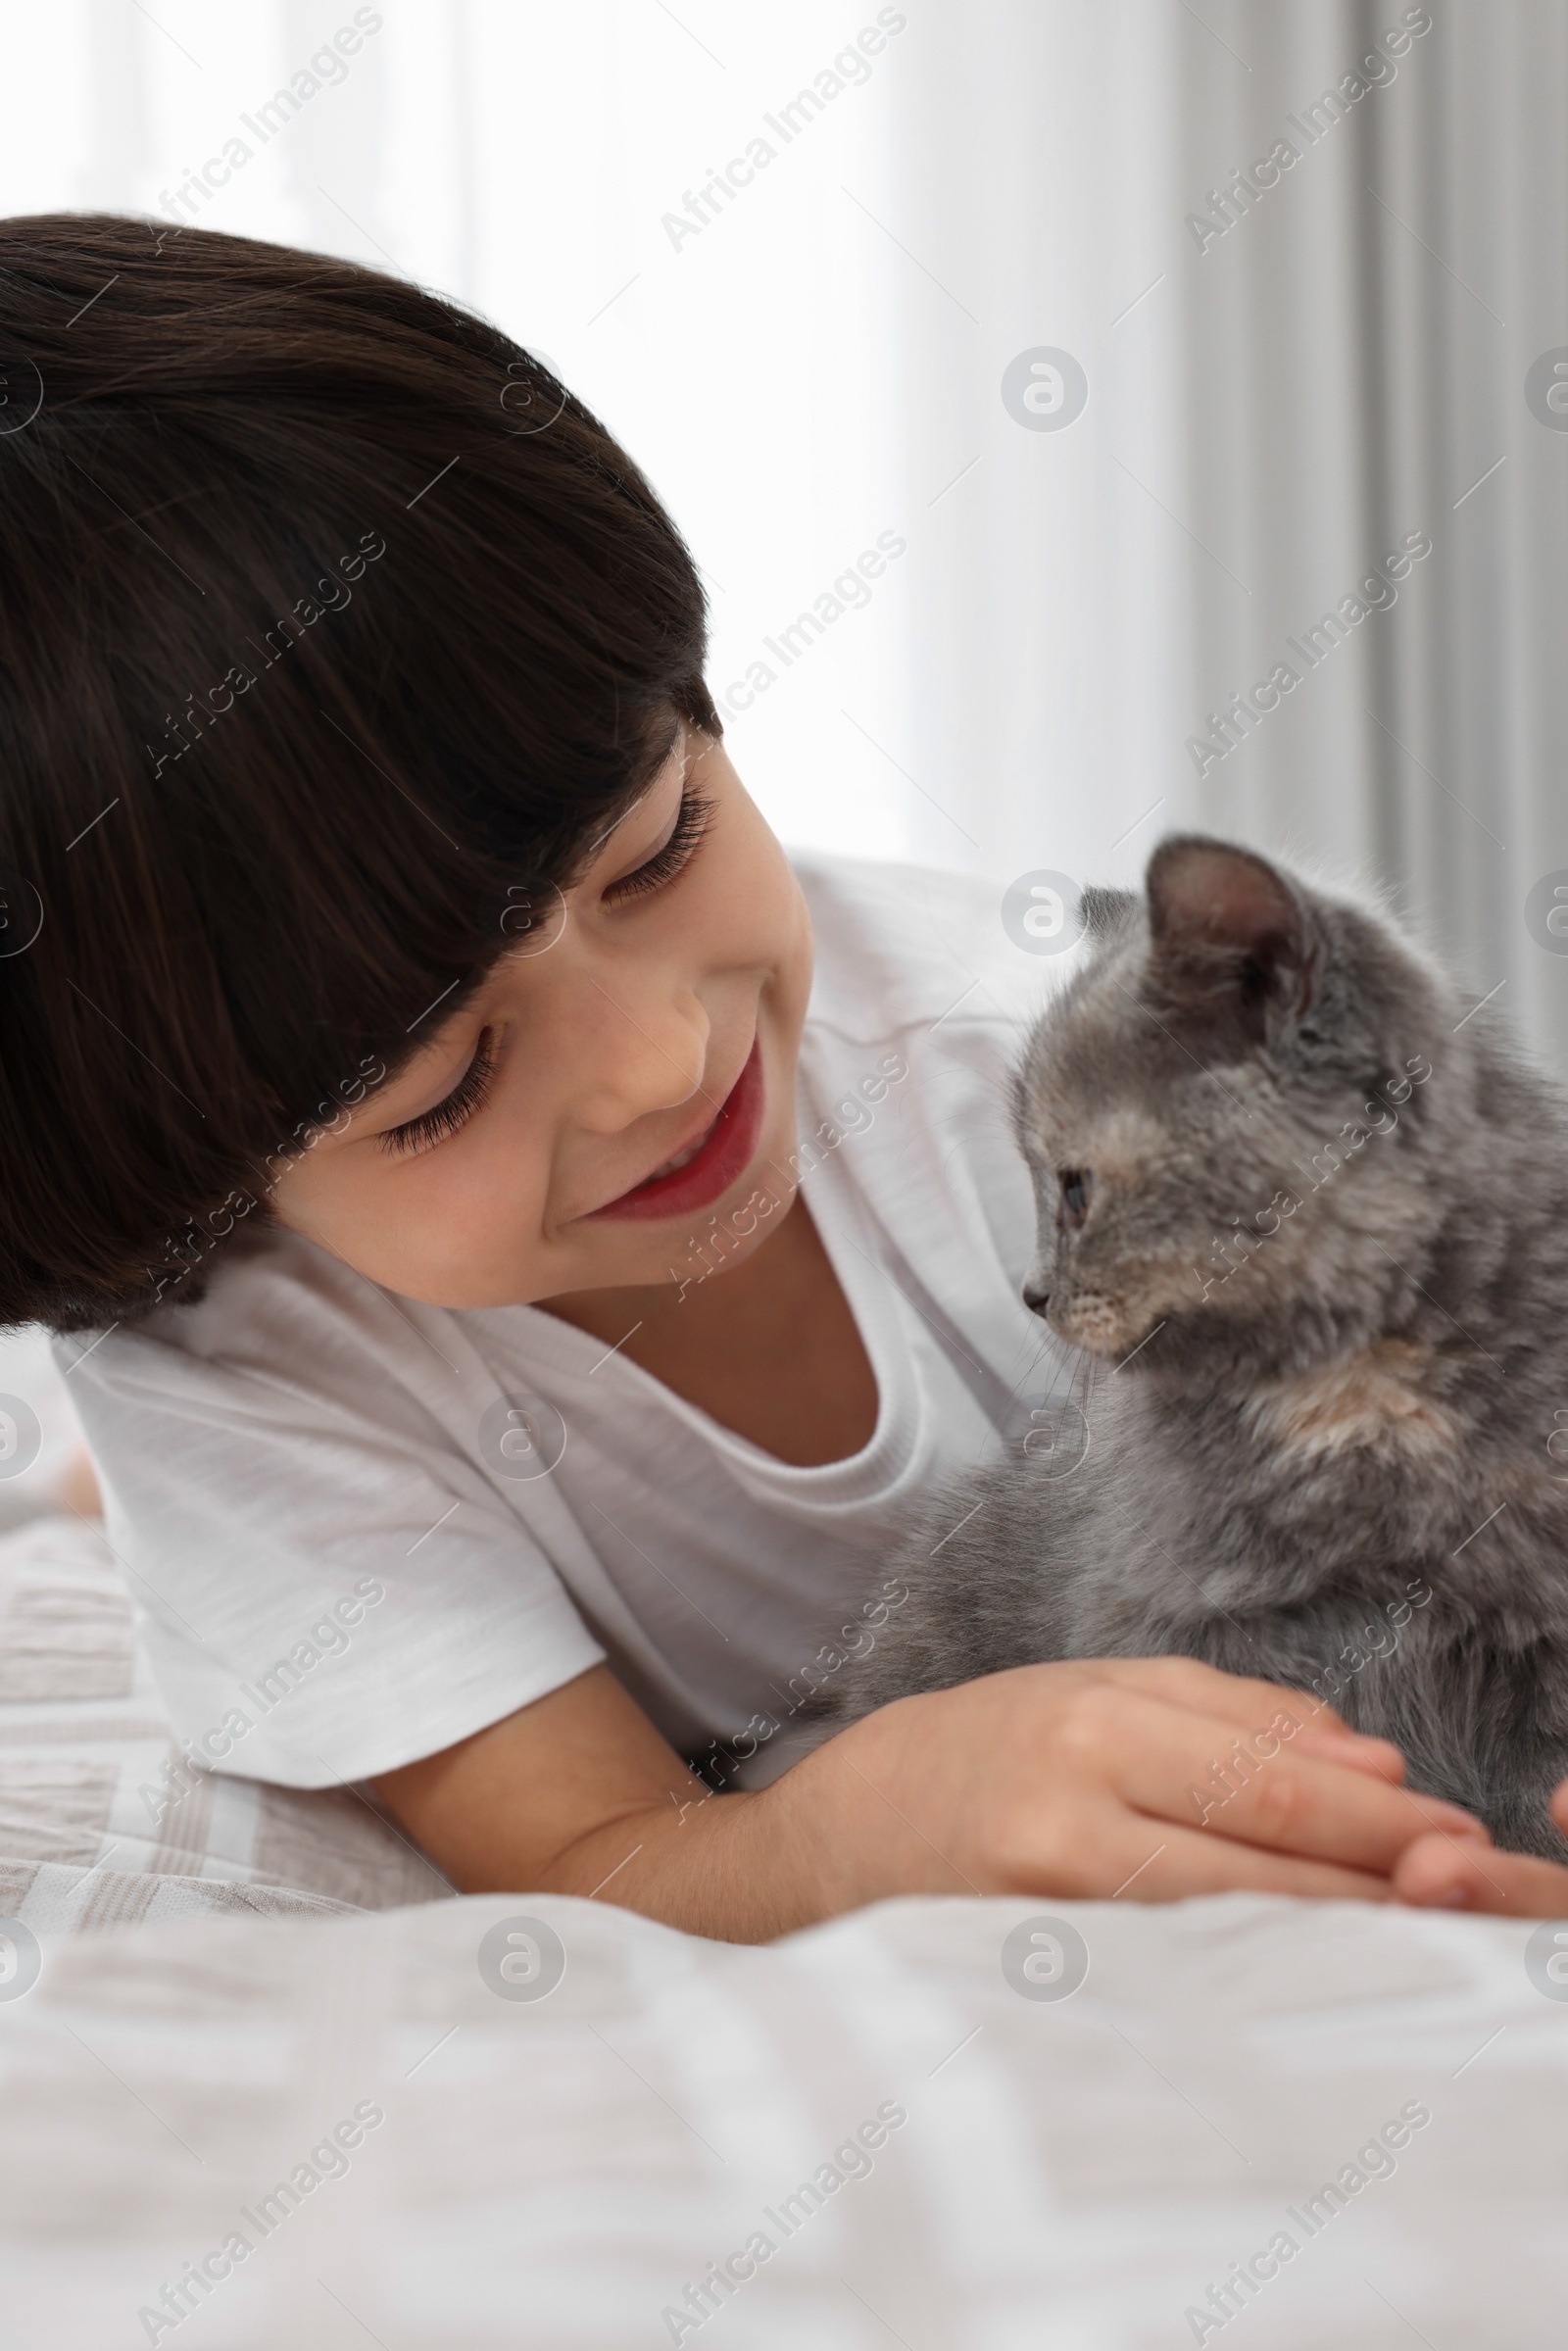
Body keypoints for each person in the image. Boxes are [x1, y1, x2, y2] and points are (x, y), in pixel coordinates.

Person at [3, 213, 1563, 1939]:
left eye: (657, 852)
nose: (665, 1062)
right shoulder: (250, 1380)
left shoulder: (1007, 1069)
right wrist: (857, 1824)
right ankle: (60, 1464)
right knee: (97, 1459)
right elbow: (605, 1848)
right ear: (203, 1187)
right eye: (441, 1088)